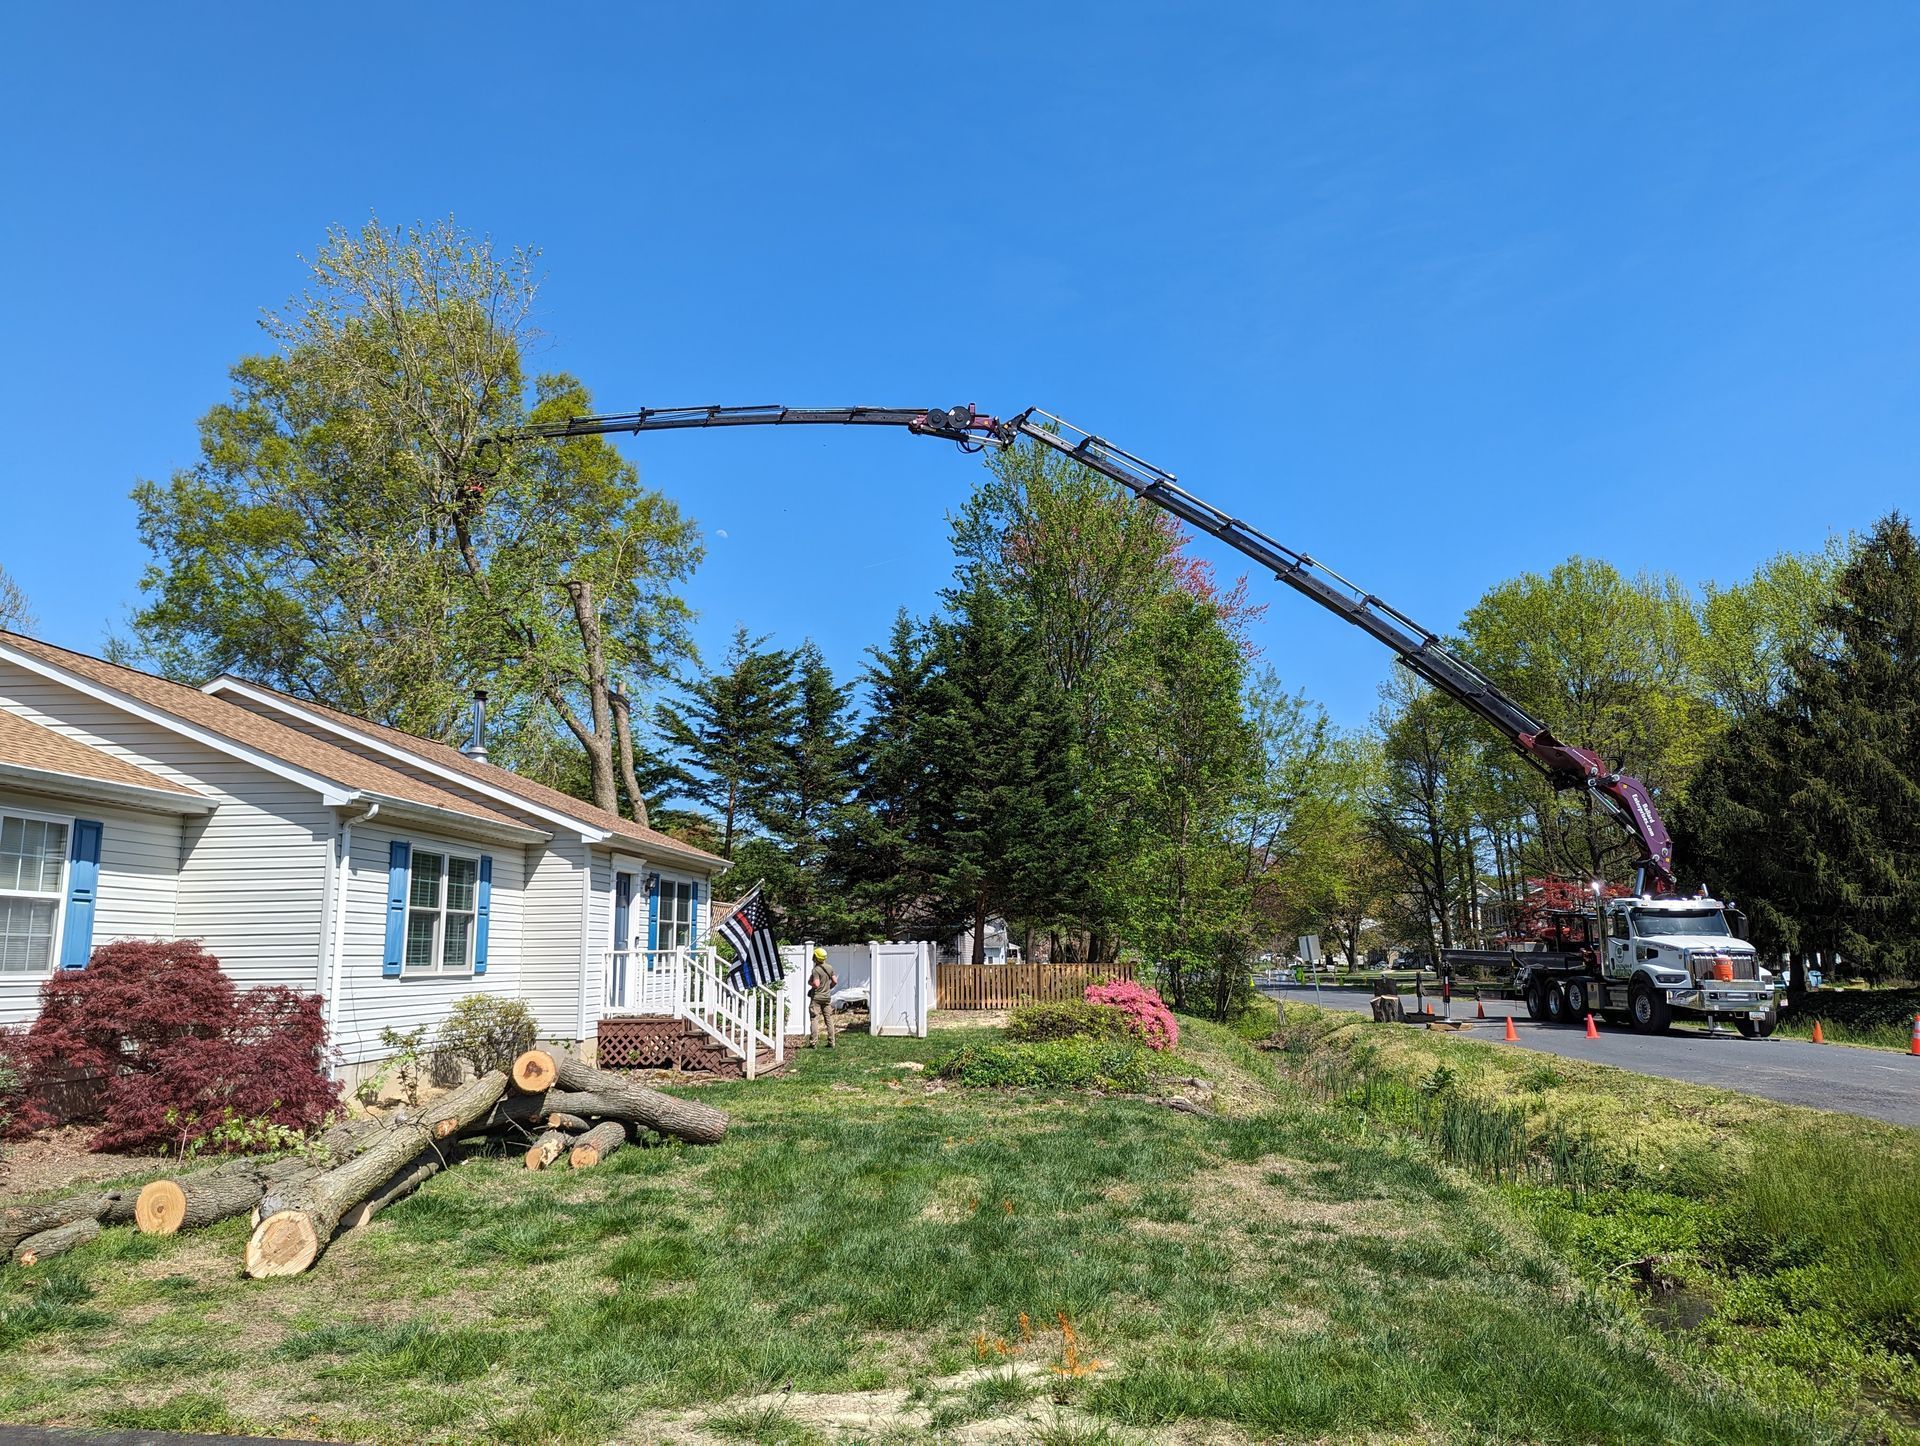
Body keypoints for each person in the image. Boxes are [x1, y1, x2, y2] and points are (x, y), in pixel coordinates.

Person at [807, 947, 837, 1048]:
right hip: (827, 997)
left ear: (816, 957)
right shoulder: (830, 967)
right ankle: (831, 1041)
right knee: (828, 1019)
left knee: (814, 1019)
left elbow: (816, 984)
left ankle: (813, 1042)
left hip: (816, 998)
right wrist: (828, 988)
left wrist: (809, 982)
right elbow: (835, 981)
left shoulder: (816, 970)